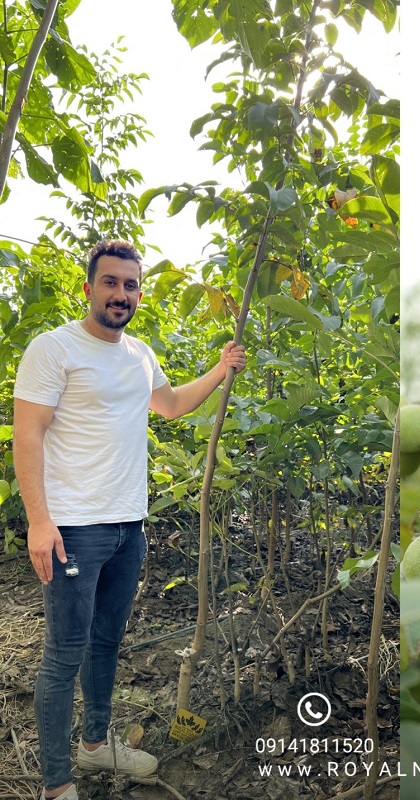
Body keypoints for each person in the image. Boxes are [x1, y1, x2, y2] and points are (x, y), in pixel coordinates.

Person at [12, 239, 247, 800]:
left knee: (106, 642)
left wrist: (220, 368)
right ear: (89, 286)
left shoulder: (139, 354)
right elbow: (29, 434)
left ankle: (96, 747)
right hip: (73, 529)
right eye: (111, 282)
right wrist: (39, 521)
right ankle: (55, 783)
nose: (121, 294)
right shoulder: (54, 349)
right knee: (63, 653)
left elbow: (170, 406)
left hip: (127, 527)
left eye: (131, 285)